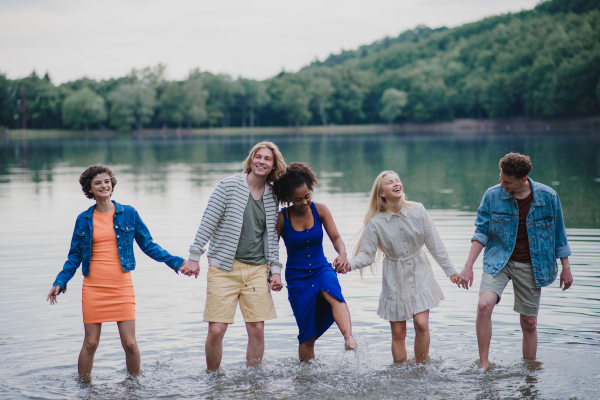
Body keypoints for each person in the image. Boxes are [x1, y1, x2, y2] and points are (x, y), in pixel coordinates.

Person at [47, 165, 194, 375]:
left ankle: (134, 388)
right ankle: (83, 389)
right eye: (97, 183)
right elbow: (74, 256)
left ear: (112, 183)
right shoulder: (83, 219)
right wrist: (60, 282)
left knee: (130, 343)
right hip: (93, 287)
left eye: (107, 181)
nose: (103, 185)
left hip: (121, 286)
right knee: (91, 343)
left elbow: (149, 245)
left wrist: (177, 262)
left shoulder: (129, 214)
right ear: (90, 189)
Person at [456, 152, 573, 370]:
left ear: (523, 179)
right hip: (498, 260)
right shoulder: (492, 195)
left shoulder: (549, 197)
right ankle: (484, 365)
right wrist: (468, 266)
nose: (501, 184)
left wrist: (566, 268)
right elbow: (481, 232)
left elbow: (559, 235)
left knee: (529, 323)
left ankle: (529, 373)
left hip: (532, 265)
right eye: (500, 178)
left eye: (507, 181)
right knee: (483, 306)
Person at [185, 141, 287, 370]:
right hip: (223, 268)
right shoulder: (228, 186)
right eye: (258, 157)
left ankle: (254, 382)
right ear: (251, 160)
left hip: (257, 269)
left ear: (273, 166)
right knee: (216, 330)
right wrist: (194, 256)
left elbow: (271, 236)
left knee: (257, 330)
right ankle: (213, 377)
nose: (261, 161)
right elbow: (208, 222)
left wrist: (276, 271)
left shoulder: (272, 196)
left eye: (267, 159)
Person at [341, 170, 458, 363]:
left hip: (420, 271)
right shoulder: (375, 222)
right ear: (382, 193)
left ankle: (420, 368)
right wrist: (348, 265)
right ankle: (401, 373)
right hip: (393, 276)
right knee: (398, 332)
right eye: (390, 182)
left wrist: (451, 272)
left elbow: (435, 245)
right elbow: (367, 255)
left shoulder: (418, 210)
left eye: (398, 180)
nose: (396, 183)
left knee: (421, 324)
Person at [272, 162, 356, 361]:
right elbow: (272, 251)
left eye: (307, 196)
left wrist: (342, 253)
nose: (304, 202)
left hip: (321, 269)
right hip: (297, 279)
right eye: (298, 199)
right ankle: (306, 378)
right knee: (307, 336)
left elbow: (336, 238)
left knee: (333, 292)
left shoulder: (321, 210)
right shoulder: (281, 219)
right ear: (289, 199)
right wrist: (272, 274)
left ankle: (348, 338)